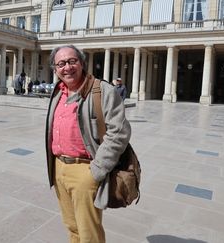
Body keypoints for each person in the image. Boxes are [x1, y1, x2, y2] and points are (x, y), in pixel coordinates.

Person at [45, 45, 131, 243]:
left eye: (72, 61)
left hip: (85, 170)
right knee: (72, 228)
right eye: (61, 63)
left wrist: (97, 170)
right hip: (59, 169)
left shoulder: (102, 90)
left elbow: (119, 132)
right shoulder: (58, 91)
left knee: (89, 233)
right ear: (55, 69)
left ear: (82, 63)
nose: (67, 67)